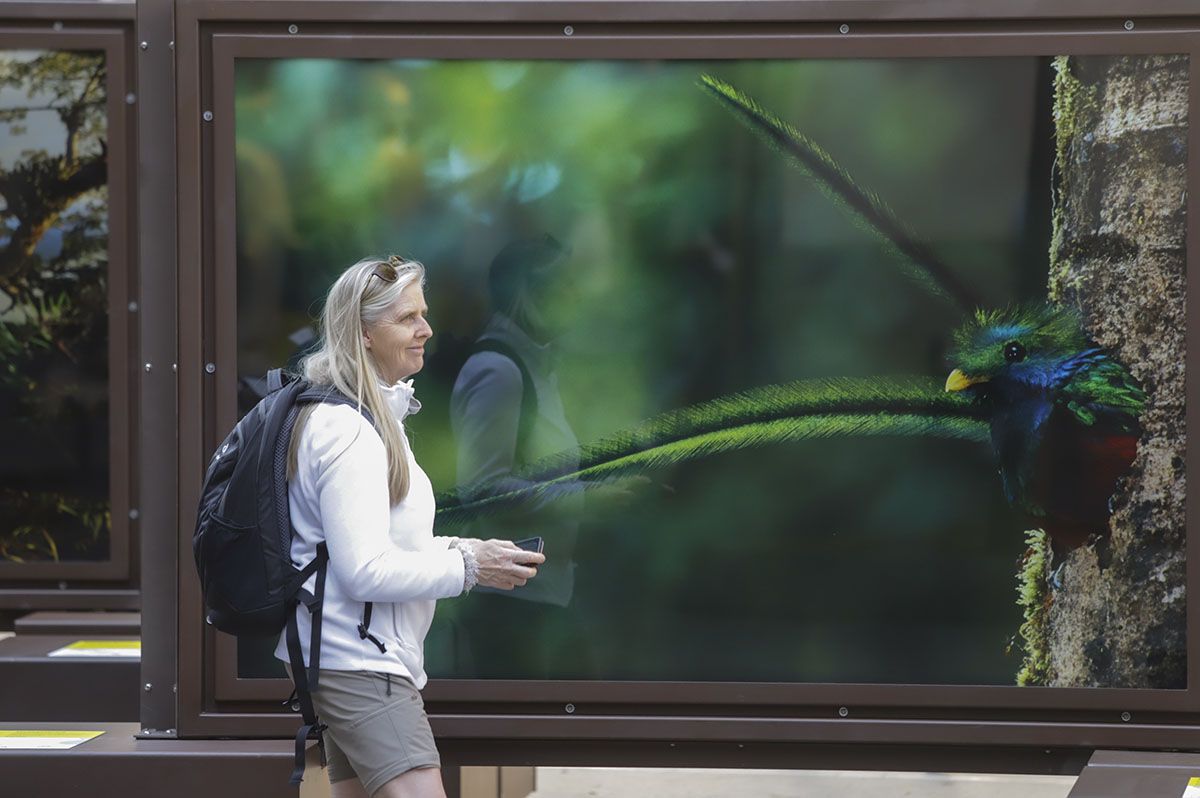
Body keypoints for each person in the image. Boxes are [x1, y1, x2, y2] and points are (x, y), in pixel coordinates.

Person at [275, 254, 545, 798]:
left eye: (424, 314)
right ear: (365, 333)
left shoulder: (362, 418)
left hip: (339, 657)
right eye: (407, 318)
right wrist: (468, 567)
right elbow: (366, 573)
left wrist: (462, 547)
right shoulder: (349, 432)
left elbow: (370, 543)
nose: (427, 329)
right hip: (360, 664)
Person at [448, 235, 589, 678]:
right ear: (528, 293)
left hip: (536, 595)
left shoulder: (535, 366)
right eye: (561, 285)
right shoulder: (499, 369)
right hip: (507, 603)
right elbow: (483, 489)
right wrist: (589, 498)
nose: (573, 297)